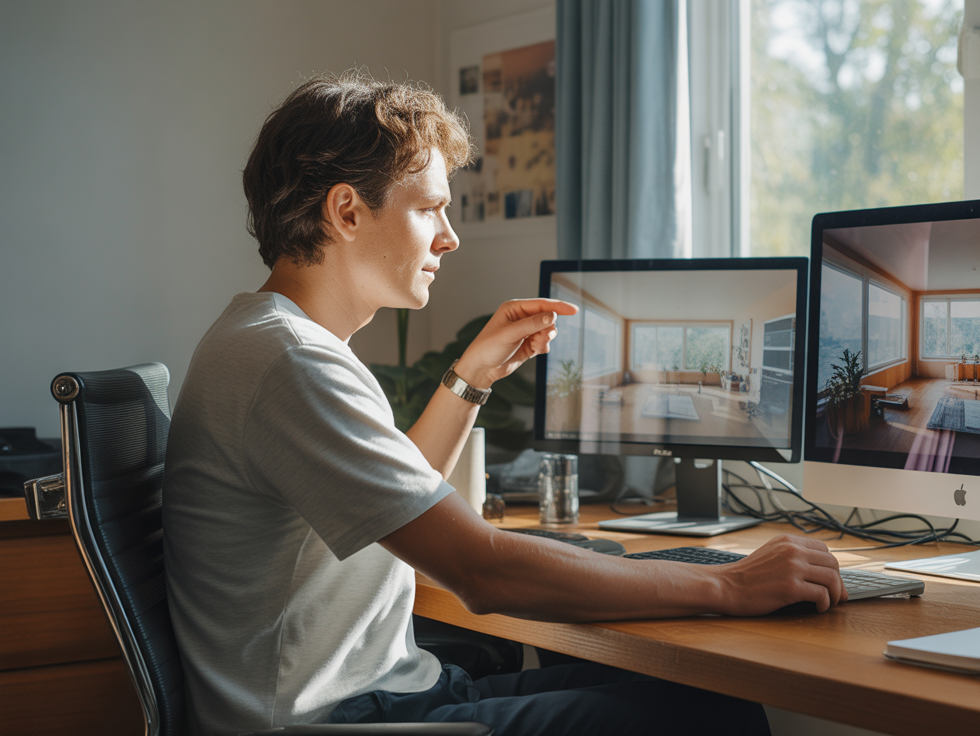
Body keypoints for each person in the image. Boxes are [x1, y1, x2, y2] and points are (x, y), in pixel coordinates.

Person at [163, 70, 847, 736]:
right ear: (346, 211)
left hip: (386, 690)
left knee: (683, 692)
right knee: (713, 715)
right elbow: (481, 571)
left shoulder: (272, 340)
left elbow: (397, 503)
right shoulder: (291, 362)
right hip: (338, 717)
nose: (449, 236)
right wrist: (726, 587)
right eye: (429, 207)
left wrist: (470, 378)